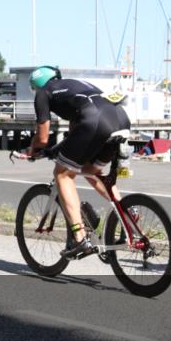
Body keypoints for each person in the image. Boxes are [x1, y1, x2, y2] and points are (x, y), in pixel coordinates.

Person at [21, 66, 131, 259]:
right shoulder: (76, 86)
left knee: (62, 174)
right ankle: (127, 214)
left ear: (35, 85)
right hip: (120, 119)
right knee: (89, 169)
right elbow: (75, 134)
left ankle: (80, 238)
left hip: (95, 119)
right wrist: (55, 151)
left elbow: (43, 137)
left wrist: (33, 149)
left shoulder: (43, 93)